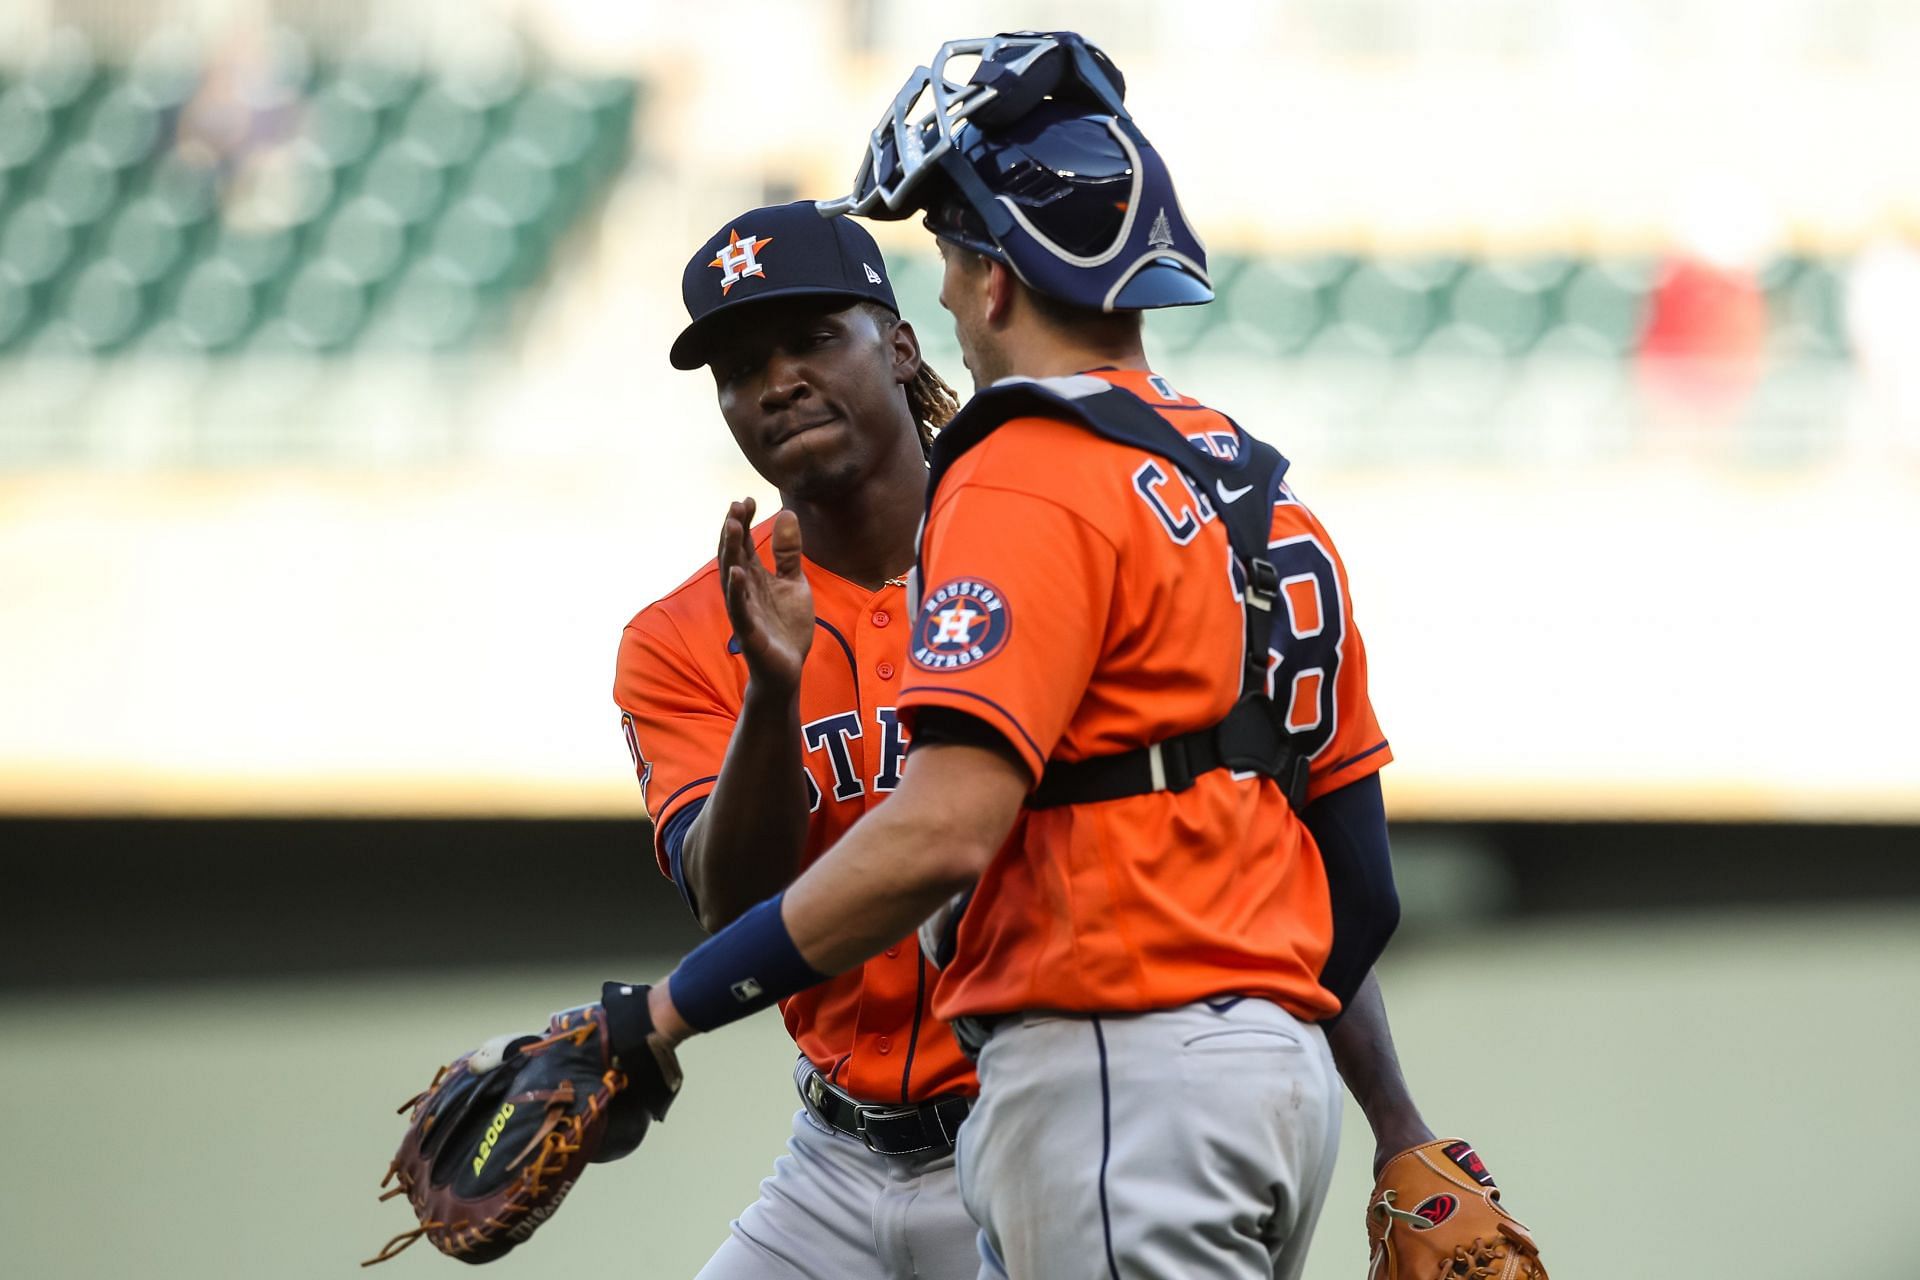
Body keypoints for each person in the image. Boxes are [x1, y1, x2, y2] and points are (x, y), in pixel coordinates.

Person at [611, 35, 1439, 1277]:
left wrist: (656, 1016)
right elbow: (1345, 879)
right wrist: (1350, 1097)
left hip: (1101, 1071)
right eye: (739, 369)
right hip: (1126, 1095)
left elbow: (941, 834)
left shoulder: (1026, 484)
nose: (776, 384)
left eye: (814, 339)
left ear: (951, 305)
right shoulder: (1234, 481)